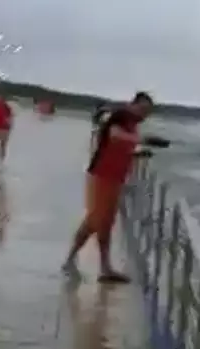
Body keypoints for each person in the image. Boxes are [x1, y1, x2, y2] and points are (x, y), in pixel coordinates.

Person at [62, 91, 156, 283]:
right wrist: (143, 140)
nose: (144, 115)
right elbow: (114, 135)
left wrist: (138, 153)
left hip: (115, 178)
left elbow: (120, 146)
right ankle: (73, 260)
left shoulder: (133, 125)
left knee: (104, 223)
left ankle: (103, 267)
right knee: (95, 220)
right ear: (133, 104)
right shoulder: (121, 116)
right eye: (143, 109)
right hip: (101, 176)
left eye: (148, 112)